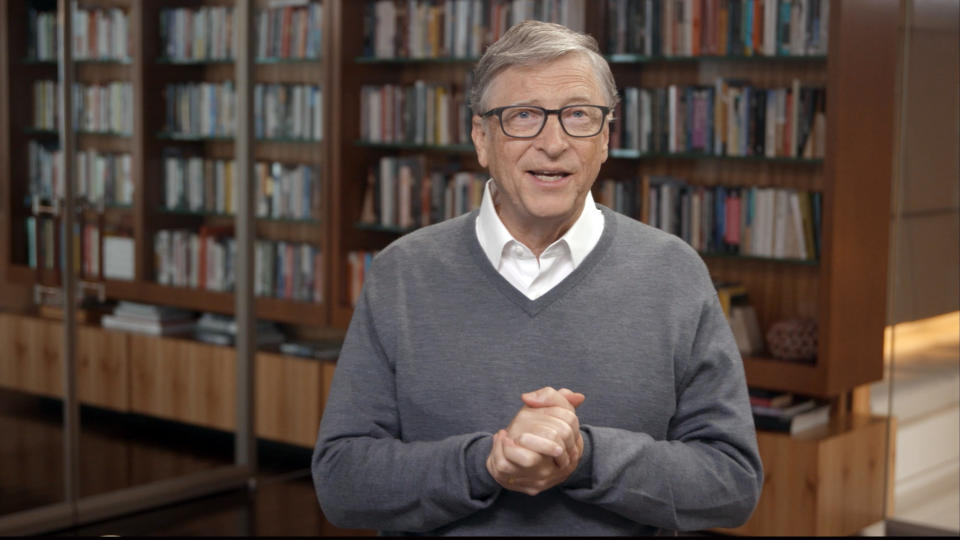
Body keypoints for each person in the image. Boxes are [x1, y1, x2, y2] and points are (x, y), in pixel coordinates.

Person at [312, 20, 763, 536]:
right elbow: (342, 482)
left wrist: (584, 456)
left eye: (577, 115)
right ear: (481, 138)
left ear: (606, 138)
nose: (554, 143)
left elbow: (733, 483)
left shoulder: (674, 272)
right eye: (523, 116)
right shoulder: (402, 272)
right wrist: (486, 462)